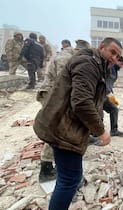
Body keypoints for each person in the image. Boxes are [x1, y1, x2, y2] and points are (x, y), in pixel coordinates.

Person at [33, 37, 122, 209]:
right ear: (101, 47)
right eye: (112, 52)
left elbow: (92, 98)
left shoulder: (99, 66)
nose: (114, 57)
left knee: (68, 176)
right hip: (64, 128)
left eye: (117, 55)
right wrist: (101, 131)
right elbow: (81, 102)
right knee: (70, 179)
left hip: (65, 125)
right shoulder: (89, 64)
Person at [36, 40, 74, 182]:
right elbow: (62, 82)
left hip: (53, 93)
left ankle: (52, 163)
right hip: (51, 94)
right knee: (55, 129)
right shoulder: (66, 57)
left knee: (58, 128)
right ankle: (46, 169)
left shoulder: (68, 55)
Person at [103, 56, 123, 137]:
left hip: (106, 94)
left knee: (114, 109)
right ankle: (94, 134)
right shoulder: (109, 67)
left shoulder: (115, 71)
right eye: (121, 64)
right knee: (98, 114)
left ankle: (114, 130)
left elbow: (110, 84)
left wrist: (111, 96)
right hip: (99, 94)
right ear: (116, 61)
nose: (121, 66)